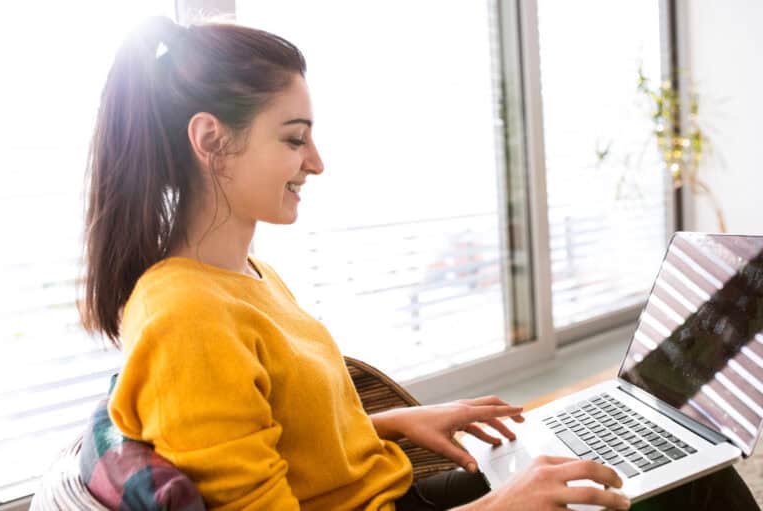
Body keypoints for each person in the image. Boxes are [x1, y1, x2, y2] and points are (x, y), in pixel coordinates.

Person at [79, 16, 759, 511]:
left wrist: (396, 421)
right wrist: (503, 504)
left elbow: (280, 434)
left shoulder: (241, 275)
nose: (316, 162)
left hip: (398, 490)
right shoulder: (185, 317)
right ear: (211, 140)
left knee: (679, 471)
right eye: (295, 139)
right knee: (692, 490)